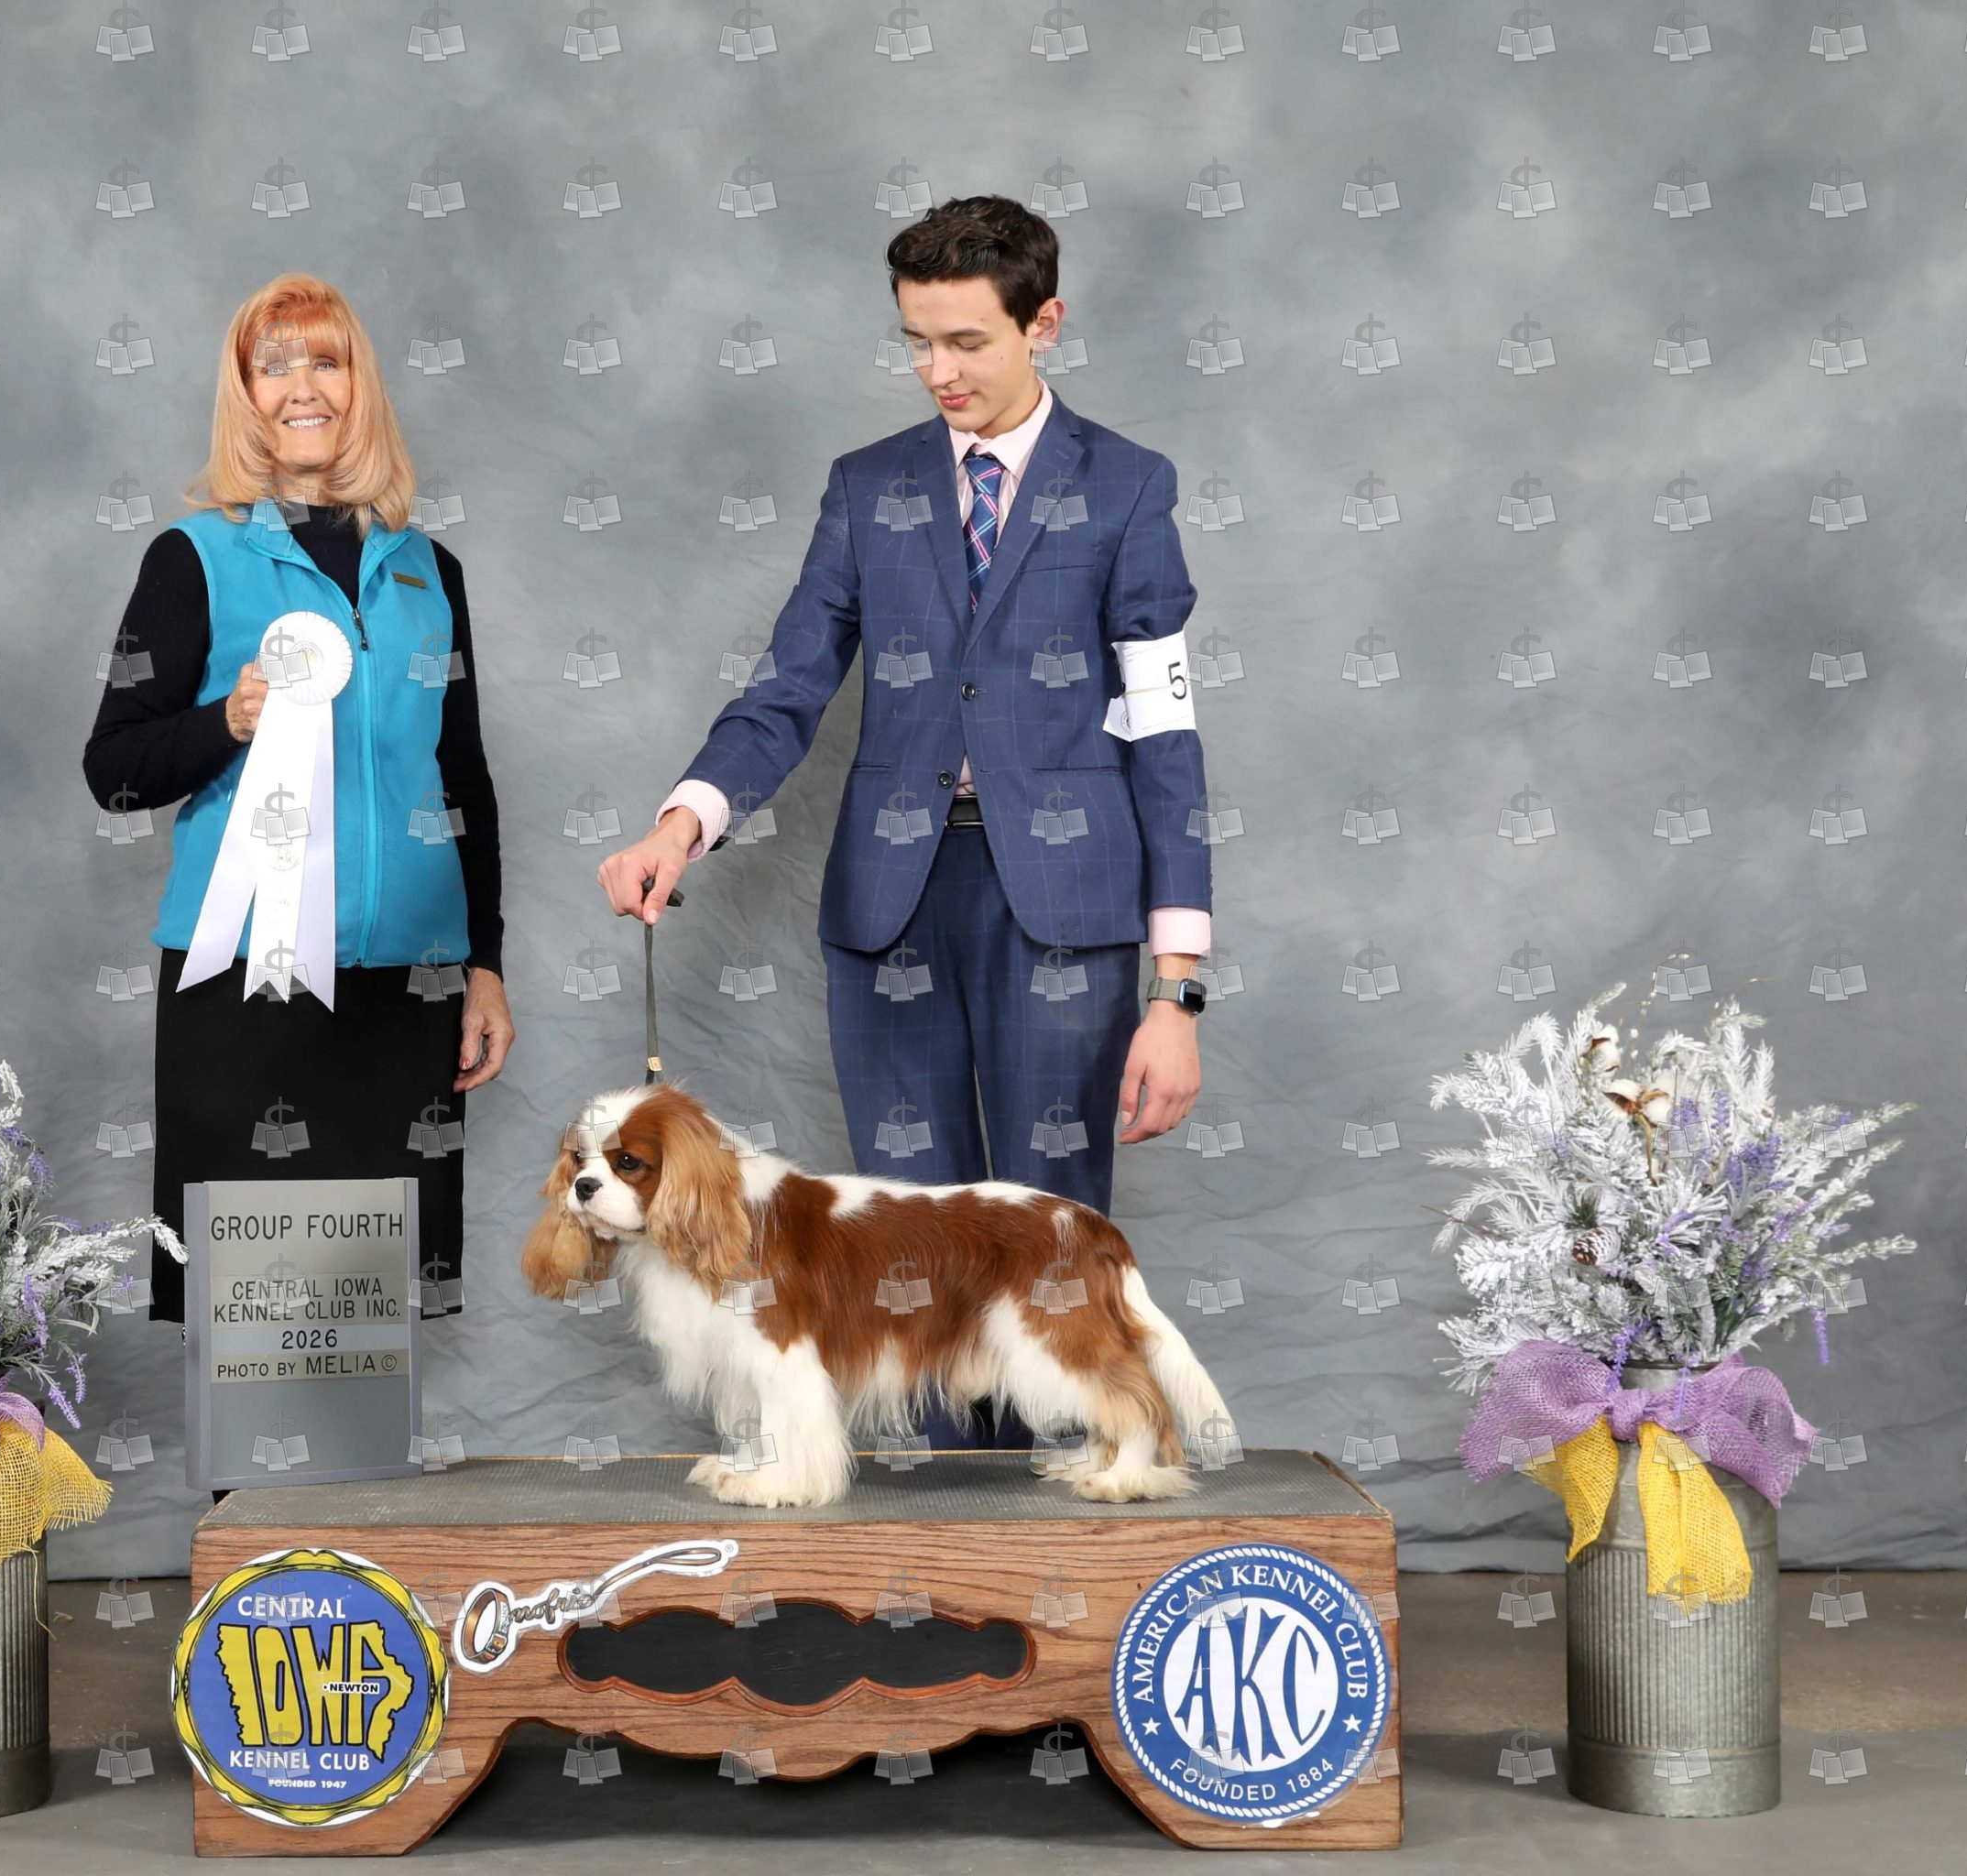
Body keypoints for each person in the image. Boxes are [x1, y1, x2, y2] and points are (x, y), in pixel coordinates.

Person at [597, 197, 1211, 1452]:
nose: (938, 371)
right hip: (891, 909)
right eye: (916, 342)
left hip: (1069, 912)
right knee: (912, 1250)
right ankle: (949, 1523)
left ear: (1045, 322)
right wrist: (681, 823)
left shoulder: (1129, 487)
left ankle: (1060, 1515)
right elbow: (786, 687)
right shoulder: (866, 487)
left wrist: (1177, 990)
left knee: (1043, 1235)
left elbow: (1165, 737)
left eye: (966, 342)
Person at [82, 272, 512, 1335]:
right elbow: (113, 768)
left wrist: (484, 965)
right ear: (245, 395)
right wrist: (226, 719)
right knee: (253, 1321)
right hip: (245, 984)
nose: (303, 387)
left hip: (408, 988)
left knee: (370, 1324)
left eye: (326, 360)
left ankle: (351, 1470)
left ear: (361, 385)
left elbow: (463, 778)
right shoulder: (190, 558)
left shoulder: (432, 572)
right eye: (273, 367)